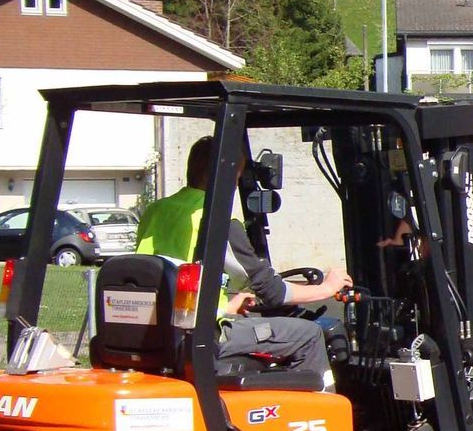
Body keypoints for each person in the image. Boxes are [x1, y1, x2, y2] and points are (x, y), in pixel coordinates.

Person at [140, 134, 350, 377]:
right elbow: (270, 290)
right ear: (227, 177)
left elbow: (170, 274)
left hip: (163, 329)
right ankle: (319, 412)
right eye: (238, 178)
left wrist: (226, 305)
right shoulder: (215, 220)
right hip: (204, 335)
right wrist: (326, 289)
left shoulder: (156, 211)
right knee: (309, 335)